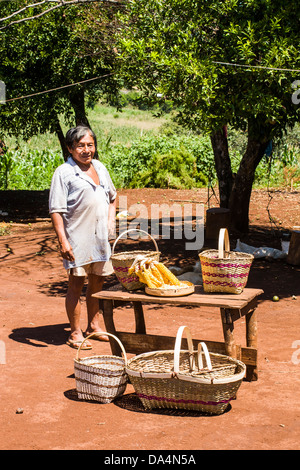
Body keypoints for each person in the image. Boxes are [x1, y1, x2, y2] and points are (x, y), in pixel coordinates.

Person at [49, 125, 117, 350]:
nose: (86, 150)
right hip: (77, 238)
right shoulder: (64, 173)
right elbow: (56, 210)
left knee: (97, 282)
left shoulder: (99, 167)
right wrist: (63, 241)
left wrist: (110, 223)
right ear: (70, 148)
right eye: (81, 146)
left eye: (90, 145)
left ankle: (94, 326)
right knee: (76, 284)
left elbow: (113, 197)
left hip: (100, 239)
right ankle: (75, 332)